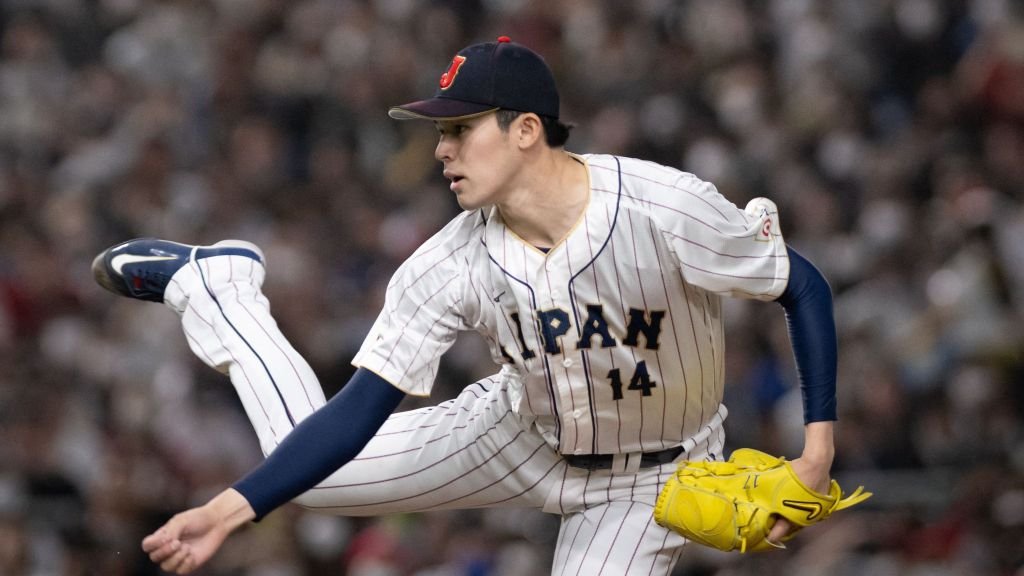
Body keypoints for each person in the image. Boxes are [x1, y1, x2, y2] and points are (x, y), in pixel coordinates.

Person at [92, 37, 840, 575]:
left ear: (525, 130)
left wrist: (817, 452)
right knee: (311, 474)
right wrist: (228, 511)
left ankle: (218, 291)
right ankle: (220, 292)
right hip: (519, 433)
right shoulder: (448, 262)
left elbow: (800, 286)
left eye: (459, 128)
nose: (442, 149)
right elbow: (358, 411)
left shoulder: (664, 207)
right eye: (439, 131)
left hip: (650, 481)